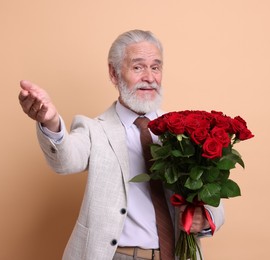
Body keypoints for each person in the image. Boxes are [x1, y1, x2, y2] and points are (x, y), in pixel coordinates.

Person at [18, 29, 225, 260]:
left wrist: (206, 217)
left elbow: (211, 197)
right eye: (138, 67)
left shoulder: (183, 132)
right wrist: (50, 121)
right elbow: (66, 160)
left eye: (155, 67)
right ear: (114, 73)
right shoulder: (94, 130)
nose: (149, 77)